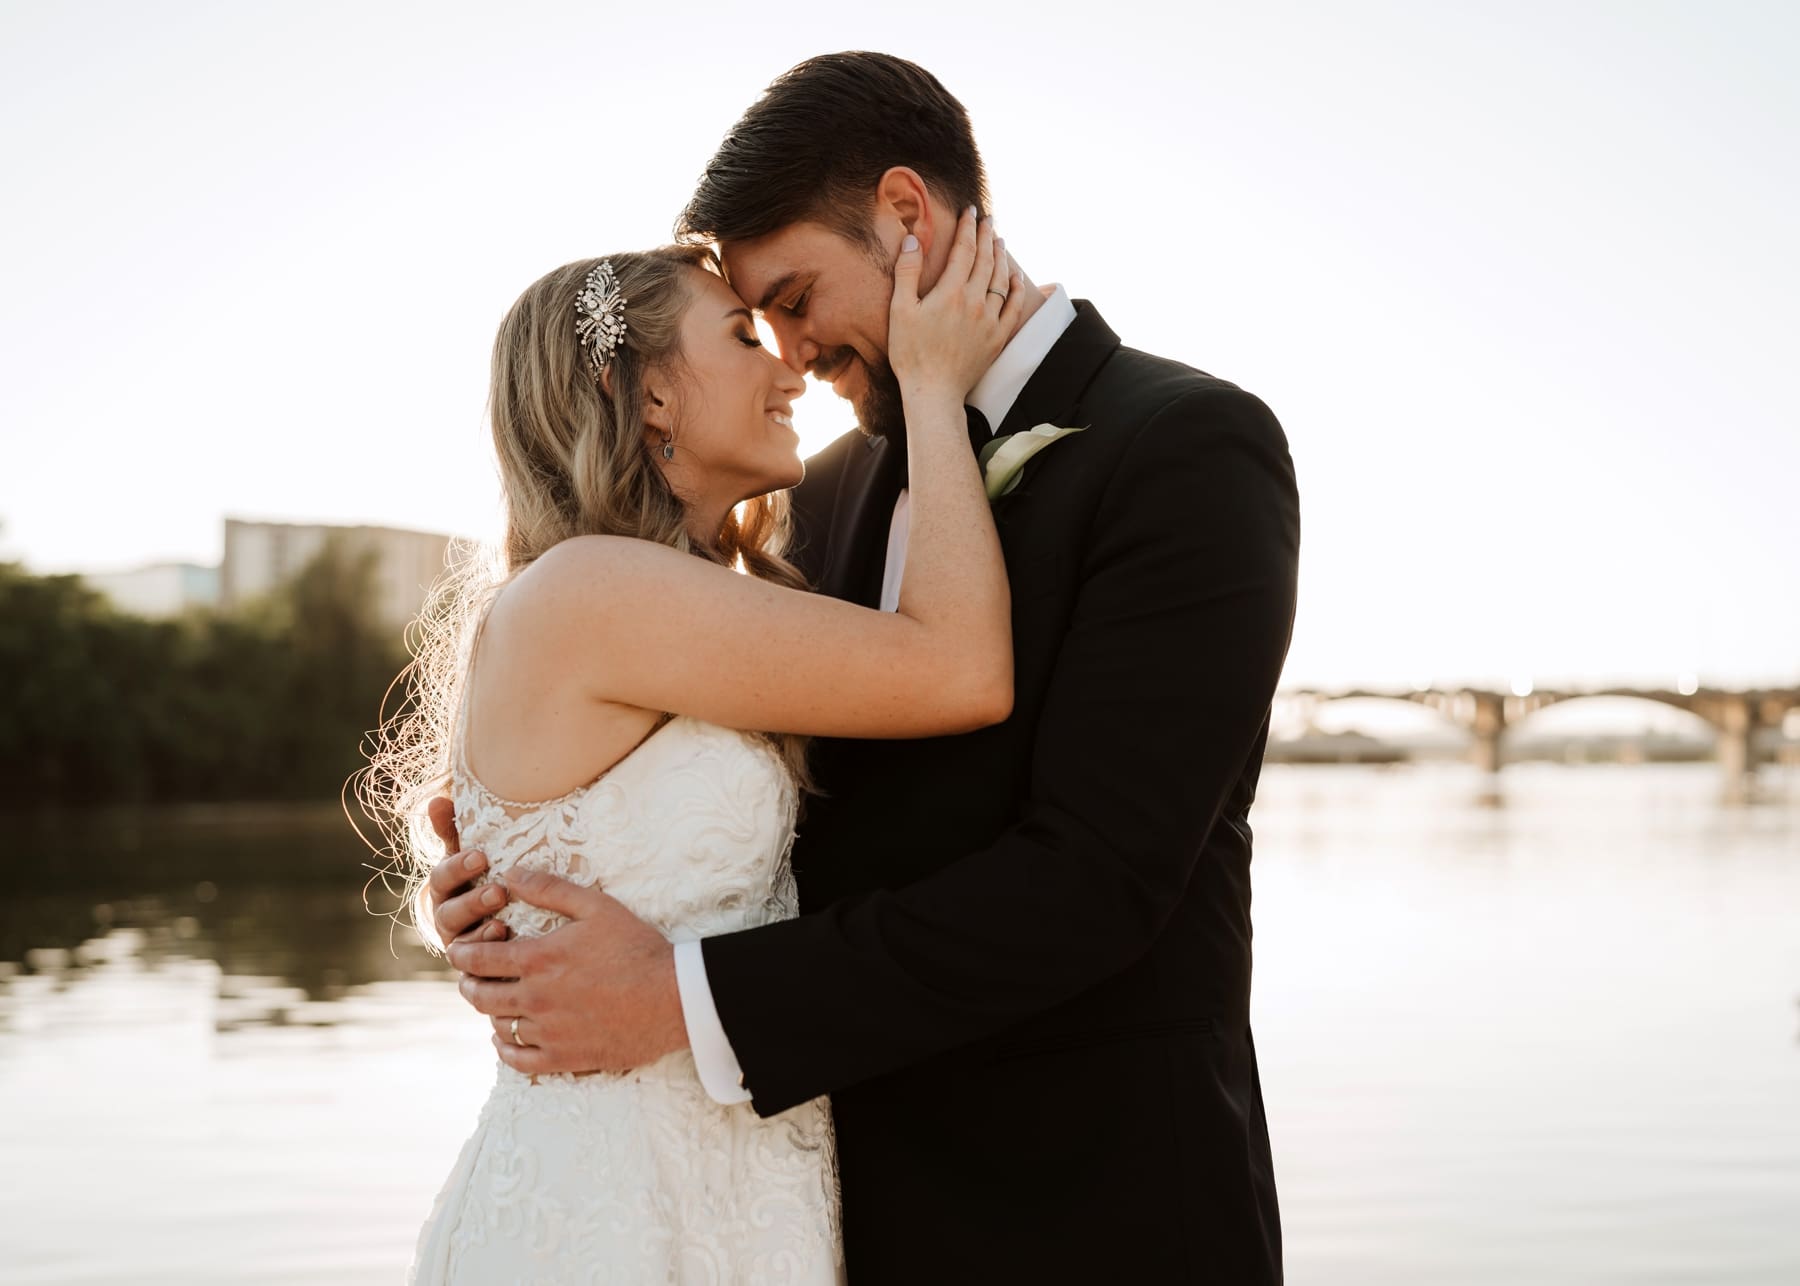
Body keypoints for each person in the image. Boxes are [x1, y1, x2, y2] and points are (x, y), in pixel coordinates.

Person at [430, 52, 1300, 1284]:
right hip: (824, 1201)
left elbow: (1101, 879)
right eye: (752, 322)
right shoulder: (824, 494)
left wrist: (681, 996)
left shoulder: (1188, 445)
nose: (788, 351)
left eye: (791, 296)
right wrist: (507, 891)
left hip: (1097, 1210)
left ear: (905, 214)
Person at [384, 216, 1025, 1284]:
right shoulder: (595, 591)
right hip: (614, 1212)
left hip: (730, 1185)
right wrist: (930, 384)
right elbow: (961, 670)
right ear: (649, 395)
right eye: (740, 333)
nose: (786, 368)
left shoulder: (665, 597)